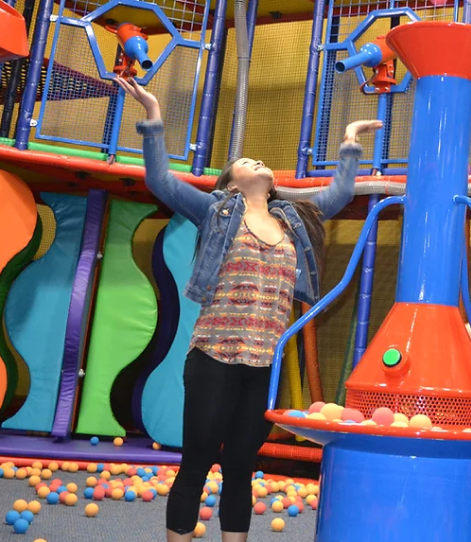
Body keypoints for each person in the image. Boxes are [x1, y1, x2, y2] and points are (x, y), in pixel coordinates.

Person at [117, 76, 379, 542]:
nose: (257, 160)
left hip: (264, 364)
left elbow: (338, 196)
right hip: (214, 356)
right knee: (197, 460)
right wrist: (154, 116)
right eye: (244, 160)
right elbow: (160, 180)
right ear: (230, 183)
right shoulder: (216, 211)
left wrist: (349, 143)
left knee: (241, 465)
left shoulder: (293, 220)